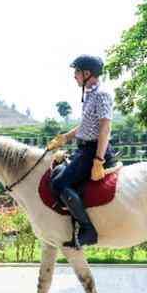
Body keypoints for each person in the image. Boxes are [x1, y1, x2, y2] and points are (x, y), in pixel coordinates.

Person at [47, 54, 116, 248]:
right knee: (58, 172)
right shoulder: (89, 94)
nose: (74, 76)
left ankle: (88, 229)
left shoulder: (102, 95)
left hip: (93, 151)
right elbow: (85, 125)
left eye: (76, 71)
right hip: (83, 149)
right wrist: (64, 138)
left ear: (87, 73)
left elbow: (105, 128)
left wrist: (98, 160)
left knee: (59, 183)